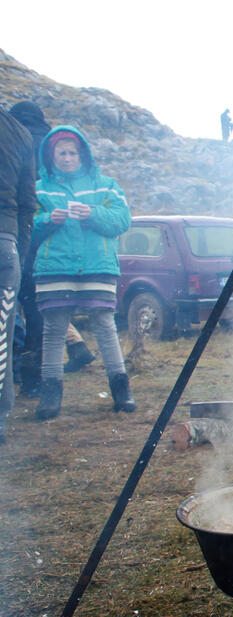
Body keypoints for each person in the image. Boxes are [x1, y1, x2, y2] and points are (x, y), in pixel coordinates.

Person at [31, 126, 135, 419]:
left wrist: (93, 213)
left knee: (105, 326)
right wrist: (47, 219)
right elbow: (27, 222)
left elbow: (122, 220)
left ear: (82, 154)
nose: (66, 158)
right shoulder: (40, 188)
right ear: (51, 156)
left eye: (72, 152)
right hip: (55, 267)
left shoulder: (106, 185)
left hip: (97, 265)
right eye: (60, 152)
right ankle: (50, 398)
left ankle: (122, 392)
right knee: (53, 330)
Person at [8, 103, 96, 392]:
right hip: (41, 242)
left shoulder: (11, 136)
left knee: (17, 308)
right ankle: (33, 381)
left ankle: (18, 375)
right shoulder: (49, 140)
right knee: (38, 309)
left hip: (18, 229)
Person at [0, 108, 36, 444]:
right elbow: (28, 203)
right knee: (1, 339)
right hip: (6, 242)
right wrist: (18, 253)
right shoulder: (19, 132)